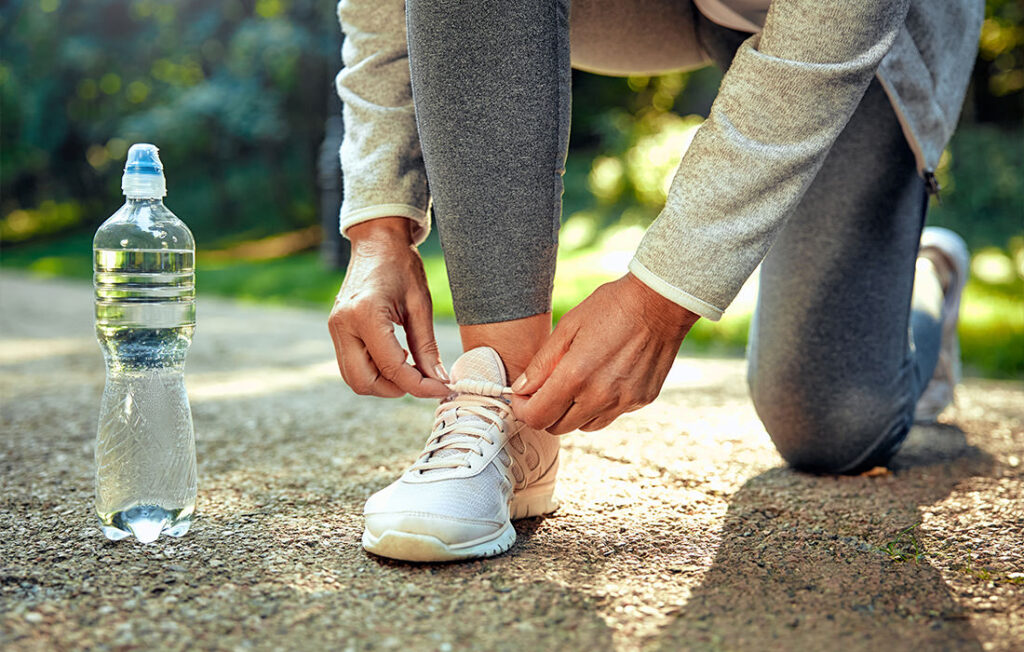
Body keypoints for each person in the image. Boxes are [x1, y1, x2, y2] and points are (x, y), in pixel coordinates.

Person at [327, 0, 982, 562]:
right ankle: (506, 415)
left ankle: (926, 276)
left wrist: (663, 294)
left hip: (854, 25)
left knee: (832, 426)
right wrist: (378, 219)